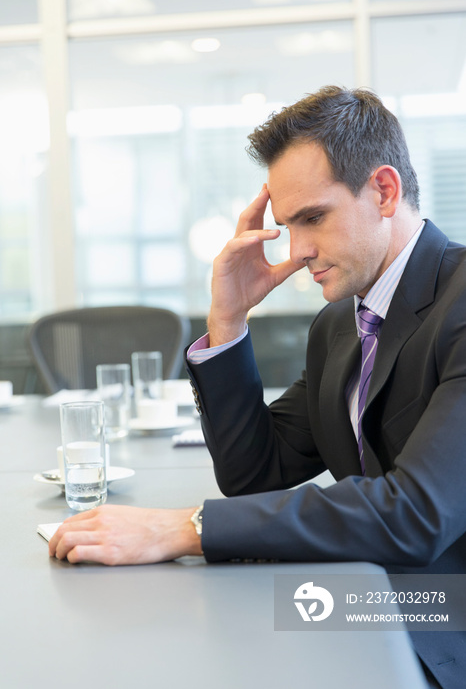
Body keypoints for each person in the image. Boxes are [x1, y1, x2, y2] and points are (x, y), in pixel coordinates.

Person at [49, 86, 466, 689]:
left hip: (441, 613)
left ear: (384, 190)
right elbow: (255, 473)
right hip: (370, 594)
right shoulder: (340, 325)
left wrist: (187, 527)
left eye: (313, 218)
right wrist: (229, 322)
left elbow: (417, 513)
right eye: (286, 226)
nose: (296, 254)